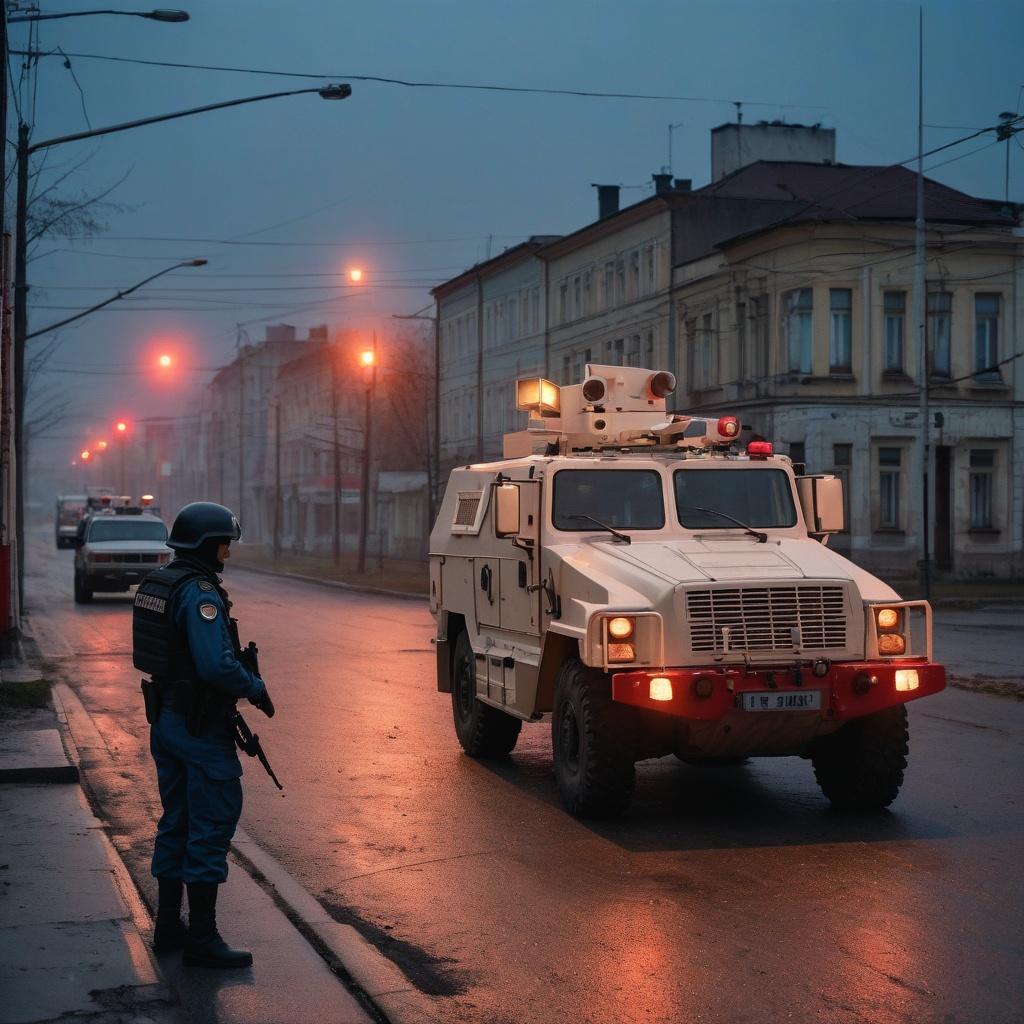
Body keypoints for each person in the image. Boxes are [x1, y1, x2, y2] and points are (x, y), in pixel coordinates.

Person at [132, 502, 274, 968]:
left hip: (167, 721)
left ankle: (168, 926)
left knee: (176, 821)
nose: (226, 553)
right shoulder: (200, 594)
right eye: (223, 544)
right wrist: (255, 687)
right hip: (198, 726)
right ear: (205, 544)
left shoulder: (160, 583)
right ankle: (202, 938)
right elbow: (216, 665)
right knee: (210, 825)